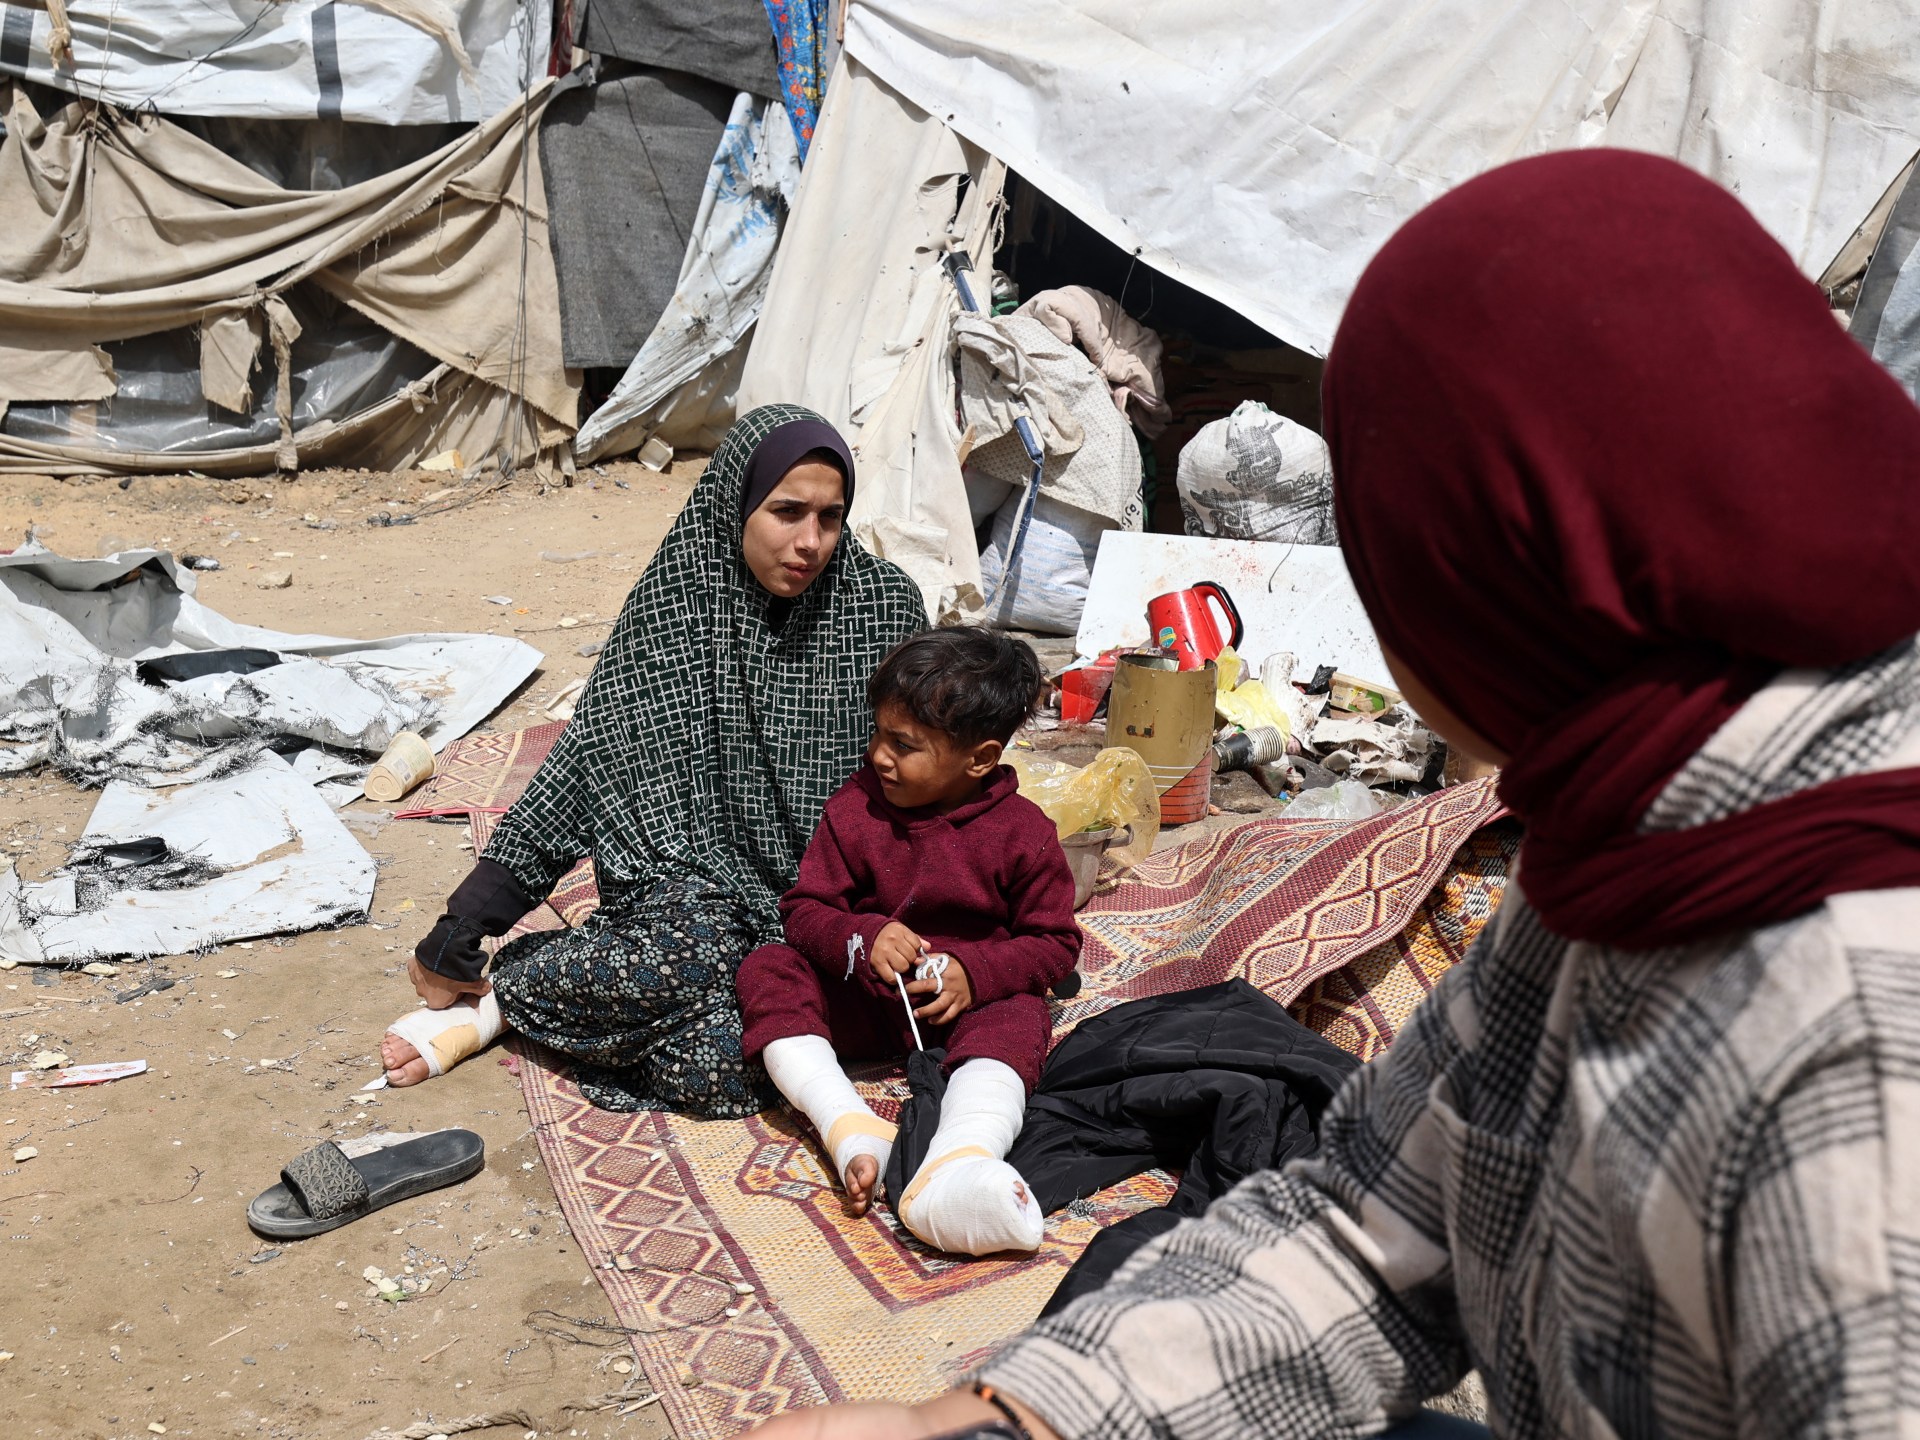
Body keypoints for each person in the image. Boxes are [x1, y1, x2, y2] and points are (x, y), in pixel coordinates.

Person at [744, 152, 1920, 1439]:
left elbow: (1048, 952)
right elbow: (1375, 1225)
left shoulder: (1853, 1046)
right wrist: (1000, 1417)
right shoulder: (1645, 845)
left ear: (1474, 577)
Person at [379, 404, 927, 1114]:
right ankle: (509, 994)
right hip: (689, 900)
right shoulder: (676, 609)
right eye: (787, 512)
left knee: (727, 1066)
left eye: (830, 517)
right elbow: (583, 773)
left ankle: (513, 1002)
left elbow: (933, 759)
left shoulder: (883, 607)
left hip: (830, 905)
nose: (810, 542)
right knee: (696, 971)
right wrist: (462, 927)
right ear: (735, 506)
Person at [737, 628, 1081, 1256]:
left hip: (964, 1012)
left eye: (904, 745)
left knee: (1022, 1012)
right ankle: (849, 1127)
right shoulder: (855, 810)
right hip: (870, 1001)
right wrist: (862, 937)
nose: (878, 756)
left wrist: (975, 973)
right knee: (770, 966)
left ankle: (961, 1158)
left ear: (980, 759)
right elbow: (804, 910)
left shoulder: (1023, 833)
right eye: (878, 734)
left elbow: (1055, 945)